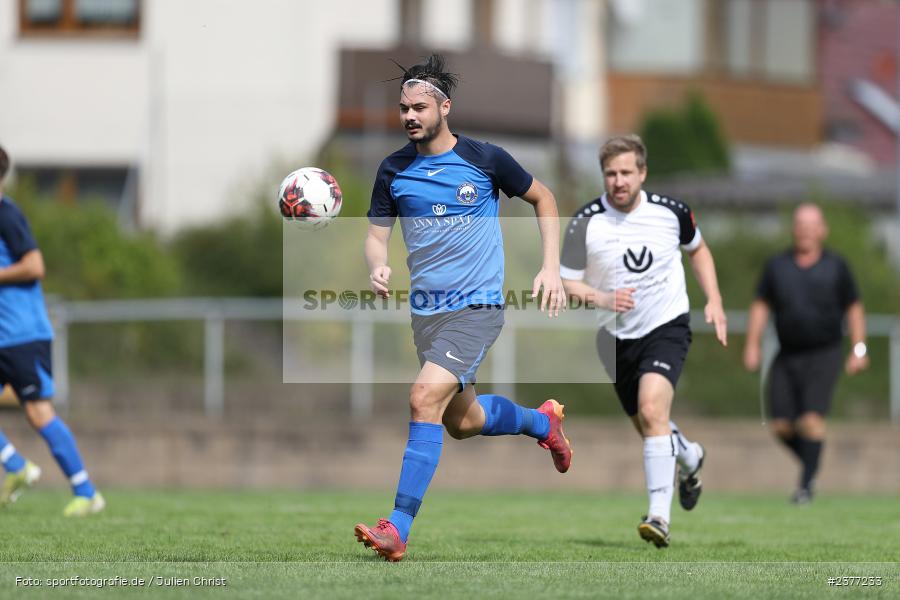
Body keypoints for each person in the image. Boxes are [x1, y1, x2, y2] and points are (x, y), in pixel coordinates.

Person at [354, 54, 571, 562]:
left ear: (444, 107)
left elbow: (544, 197)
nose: (409, 116)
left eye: (419, 107)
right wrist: (377, 264)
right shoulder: (393, 170)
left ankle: (397, 529)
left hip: (477, 308)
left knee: (422, 398)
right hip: (427, 316)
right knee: (463, 421)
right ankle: (543, 424)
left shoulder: (485, 159)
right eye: (403, 108)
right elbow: (374, 234)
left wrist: (551, 267)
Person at [560, 135, 727, 548]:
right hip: (614, 338)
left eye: (626, 173)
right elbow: (566, 280)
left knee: (653, 410)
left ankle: (659, 517)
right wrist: (601, 298)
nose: (618, 181)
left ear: (642, 173)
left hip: (666, 325)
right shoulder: (585, 222)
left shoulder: (672, 213)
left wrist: (715, 301)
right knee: (649, 424)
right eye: (610, 173)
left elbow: (699, 250)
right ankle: (689, 456)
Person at [0, 144, 105, 516]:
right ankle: (16, 466)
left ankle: (87, 493)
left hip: (22, 334)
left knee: (39, 414)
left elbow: (34, 265)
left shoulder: (6, 214)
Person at [743, 203, 868, 504]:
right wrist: (752, 344)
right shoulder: (777, 266)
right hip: (787, 355)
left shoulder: (837, 266)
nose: (806, 230)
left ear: (822, 230)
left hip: (824, 353)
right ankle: (812, 464)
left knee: (811, 420)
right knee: (781, 425)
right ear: (793, 228)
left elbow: (854, 308)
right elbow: (761, 305)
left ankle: (805, 486)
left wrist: (859, 349)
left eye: (812, 225)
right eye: (801, 224)